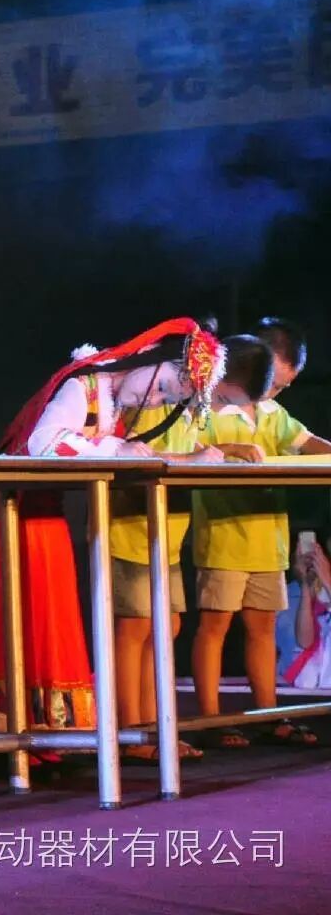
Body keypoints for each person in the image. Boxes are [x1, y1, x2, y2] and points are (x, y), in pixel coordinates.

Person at [0, 318, 239, 755]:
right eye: (163, 387)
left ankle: (40, 734)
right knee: (17, 619)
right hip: (13, 512)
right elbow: (44, 443)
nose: (156, 400)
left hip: (44, 515)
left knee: (48, 621)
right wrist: (115, 450)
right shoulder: (83, 385)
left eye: (167, 398)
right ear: (149, 357)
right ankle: (7, 735)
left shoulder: (112, 402)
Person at [107, 335, 273, 762]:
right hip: (131, 528)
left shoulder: (190, 404)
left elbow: (182, 449)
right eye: (224, 398)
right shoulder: (158, 393)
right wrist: (195, 461)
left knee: (167, 627)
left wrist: (223, 450)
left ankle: (153, 729)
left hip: (166, 533)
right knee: (134, 629)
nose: (219, 406)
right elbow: (134, 455)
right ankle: (131, 733)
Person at [192, 318, 331, 748]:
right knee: (215, 626)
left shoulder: (272, 414)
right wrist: (230, 450)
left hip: (268, 540)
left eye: (282, 388)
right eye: (273, 383)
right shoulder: (210, 407)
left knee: (263, 626)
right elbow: (187, 449)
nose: (274, 393)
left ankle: (268, 715)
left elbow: (306, 441)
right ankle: (210, 720)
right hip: (224, 536)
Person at [285, 527, 331, 689]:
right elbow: (305, 641)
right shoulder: (312, 593)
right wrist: (305, 584)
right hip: (313, 687)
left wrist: (327, 580)